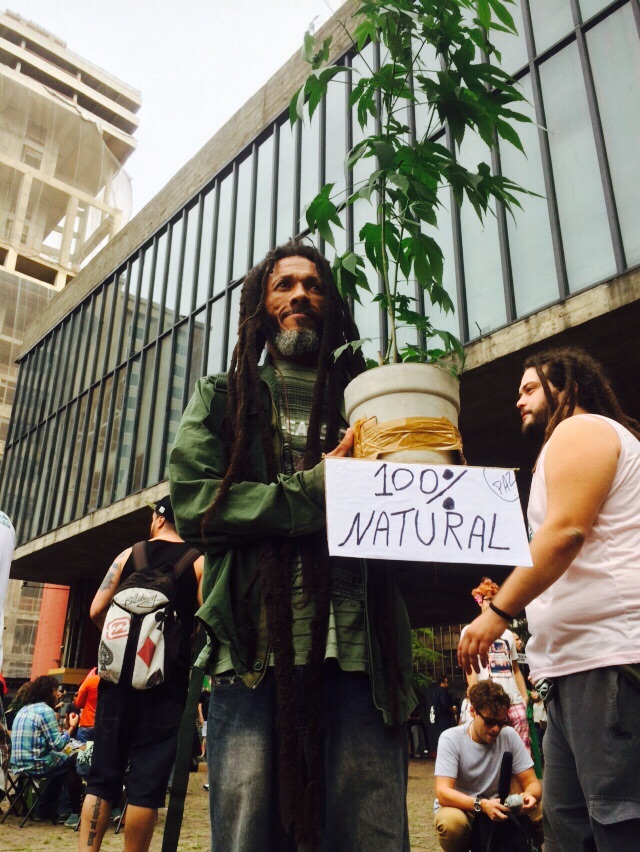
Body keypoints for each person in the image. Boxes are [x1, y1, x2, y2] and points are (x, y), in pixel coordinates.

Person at [169, 240, 416, 850]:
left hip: (360, 646)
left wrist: (434, 473)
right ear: (260, 303)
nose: (301, 294)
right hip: (252, 647)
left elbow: (408, 512)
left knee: (371, 831)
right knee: (249, 831)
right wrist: (314, 489)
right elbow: (197, 503)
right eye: (284, 285)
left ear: (331, 305)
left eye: (314, 284)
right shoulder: (222, 396)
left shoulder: (370, 399)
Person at [458, 347, 640, 850]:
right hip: (568, 670)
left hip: (608, 660)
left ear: (571, 387)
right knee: (566, 829)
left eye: (530, 388)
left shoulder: (581, 430)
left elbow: (565, 533)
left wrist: (498, 613)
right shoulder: (561, 448)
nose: (519, 400)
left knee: (618, 824)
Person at [78, 497, 203, 852]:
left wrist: (121, 643)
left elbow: (96, 610)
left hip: (115, 683)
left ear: (159, 519)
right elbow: (207, 621)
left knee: (101, 780)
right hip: (165, 688)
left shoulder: (128, 554)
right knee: (146, 788)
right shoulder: (197, 562)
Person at [434, 680, 542, 852]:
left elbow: (532, 783)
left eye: (501, 722)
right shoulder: (451, 738)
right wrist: (482, 805)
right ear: (473, 711)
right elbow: (443, 792)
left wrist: (528, 796)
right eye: (489, 721)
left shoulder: (508, 735)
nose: (496, 729)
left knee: (546, 809)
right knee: (451, 824)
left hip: (502, 805)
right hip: (467, 807)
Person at [461, 579, 530, 752]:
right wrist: (476, 696)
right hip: (488, 700)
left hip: (513, 700)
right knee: (489, 749)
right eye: (489, 599)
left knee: (521, 750)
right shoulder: (470, 630)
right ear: (480, 600)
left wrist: (524, 697)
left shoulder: (507, 634)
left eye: (496, 599)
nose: (492, 604)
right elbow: (470, 668)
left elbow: (515, 669)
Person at [9, 675, 82, 824]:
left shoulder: (23, 709)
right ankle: (67, 810)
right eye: (57, 690)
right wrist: (72, 727)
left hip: (17, 763)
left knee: (60, 768)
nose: (58, 694)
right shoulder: (46, 710)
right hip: (35, 763)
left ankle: (44, 809)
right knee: (72, 762)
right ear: (50, 691)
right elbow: (58, 745)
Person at [428, 676, 458, 753]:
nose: (448, 684)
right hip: (445, 719)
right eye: (447, 682)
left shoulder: (435, 692)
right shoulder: (443, 692)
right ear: (442, 683)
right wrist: (452, 708)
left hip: (439, 719)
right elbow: (445, 705)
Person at [75, 667, 100, 743]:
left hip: (87, 723)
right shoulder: (113, 683)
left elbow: (78, 703)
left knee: (83, 751)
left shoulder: (90, 680)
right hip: (104, 725)